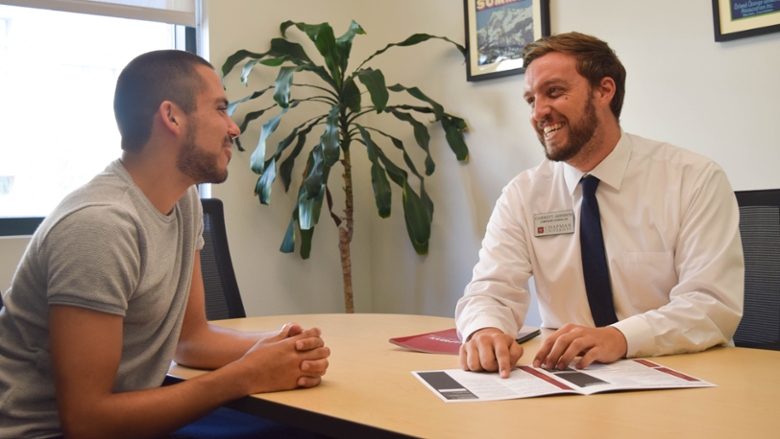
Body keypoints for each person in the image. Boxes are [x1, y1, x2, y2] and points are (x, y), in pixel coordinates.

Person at [0, 50, 331, 439]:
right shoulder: (100, 226)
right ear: (172, 117)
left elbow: (191, 340)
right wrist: (243, 375)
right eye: (221, 108)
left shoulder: (184, 201)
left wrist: (280, 347)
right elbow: (86, 422)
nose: (234, 128)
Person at [455, 32, 744, 378]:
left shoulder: (692, 179)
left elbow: (711, 306)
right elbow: (491, 289)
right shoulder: (523, 195)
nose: (538, 112)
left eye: (554, 92)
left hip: (682, 373)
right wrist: (485, 330)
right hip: (570, 377)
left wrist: (619, 338)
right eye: (531, 99)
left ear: (604, 91)